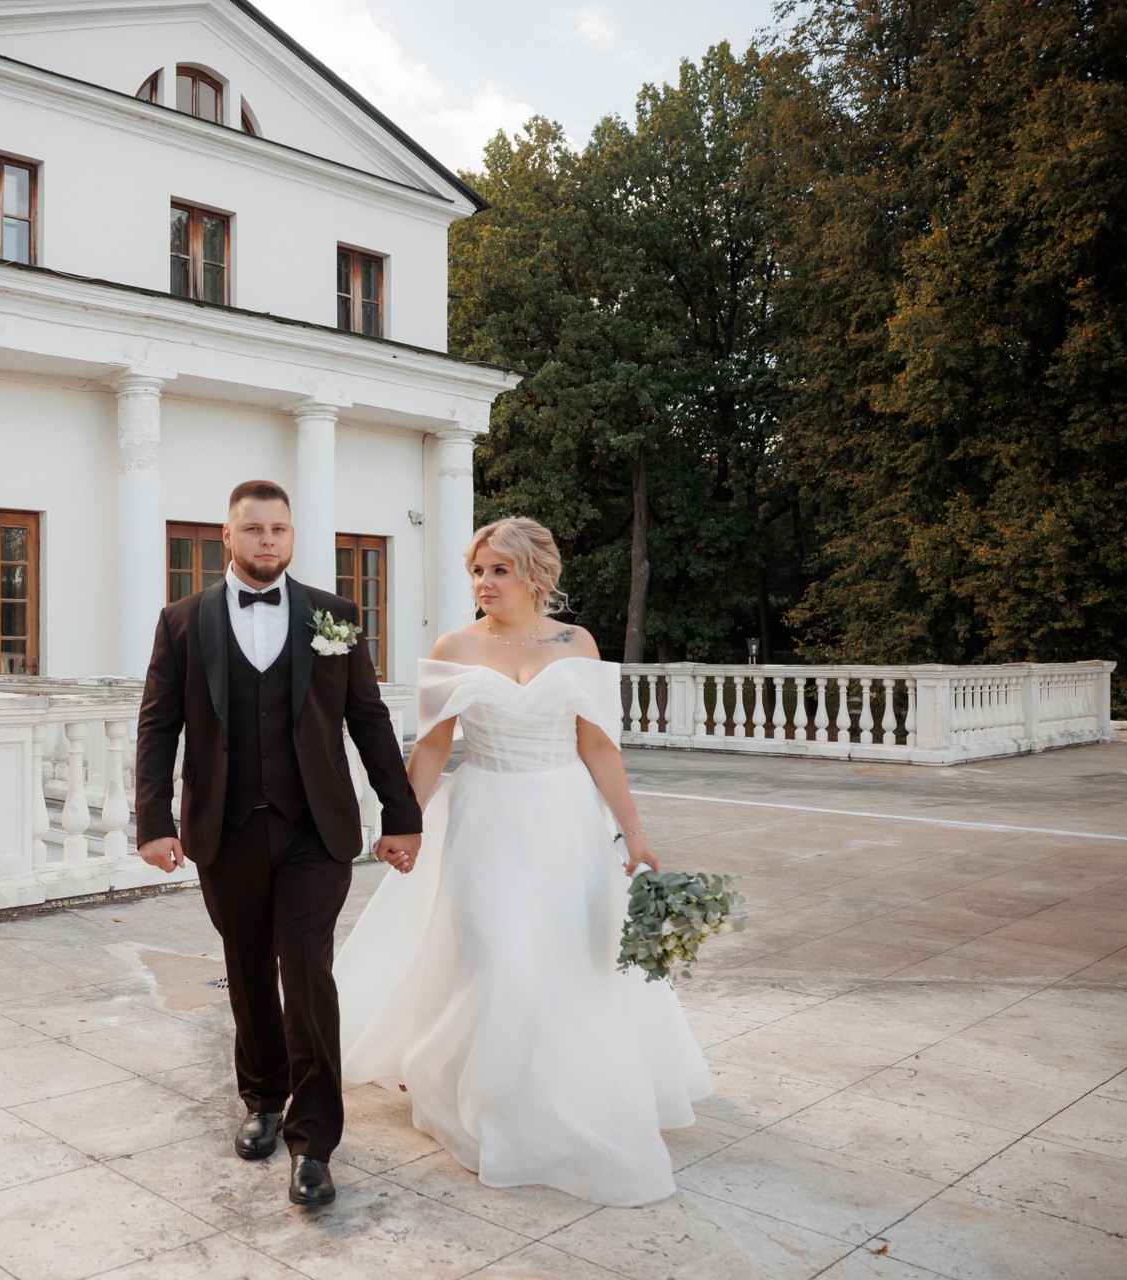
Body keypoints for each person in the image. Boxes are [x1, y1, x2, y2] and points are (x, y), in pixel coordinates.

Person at [334, 516, 711, 1207]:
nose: (483, 583)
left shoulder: (578, 643)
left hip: (565, 820)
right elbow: (433, 746)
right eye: (477, 570)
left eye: (498, 570)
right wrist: (403, 824)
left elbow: (597, 745)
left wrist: (634, 833)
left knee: (566, 961)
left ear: (536, 575)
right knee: (494, 954)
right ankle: (491, 1105)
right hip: (484, 817)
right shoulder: (454, 646)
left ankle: (559, 1092)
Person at [135, 480, 424, 1206]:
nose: (268, 540)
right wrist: (153, 821)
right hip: (224, 827)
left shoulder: (336, 616)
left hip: (313, 828)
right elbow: (158, 725)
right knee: (247, 968)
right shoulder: (182, 621)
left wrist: (402, 813)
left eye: (279, 529)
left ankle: (314, 1140)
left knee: (306, 968)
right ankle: (262, 1099)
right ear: (227, 537)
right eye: (254, 529)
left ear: (292, 536)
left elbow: (368, 718)